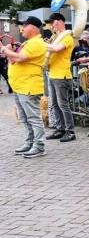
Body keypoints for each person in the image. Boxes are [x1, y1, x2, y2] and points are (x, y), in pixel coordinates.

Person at [0, 17, 47, 158]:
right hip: (20, 85)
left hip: (29, 86)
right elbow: (14, 60)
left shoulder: (37, 43)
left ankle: (39, 146)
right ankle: (30, 142)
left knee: (33, 117)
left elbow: (20, 58)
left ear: (33, 28)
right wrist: (8, 52)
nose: (22, 29)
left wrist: (3, 49)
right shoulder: (28, 43)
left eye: (24, 26)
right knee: (24, 118)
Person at [44, 13, 77, 142]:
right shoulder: (56, 36)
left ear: (59, 22)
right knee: (55, 104)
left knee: (63, 104)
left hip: (62, 75)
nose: (51, 25)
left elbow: (57, 49)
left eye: (52, 22)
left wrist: (39, 45)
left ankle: (70, 131)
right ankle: (60, 128)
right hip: (52, 73)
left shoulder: (67, 37)